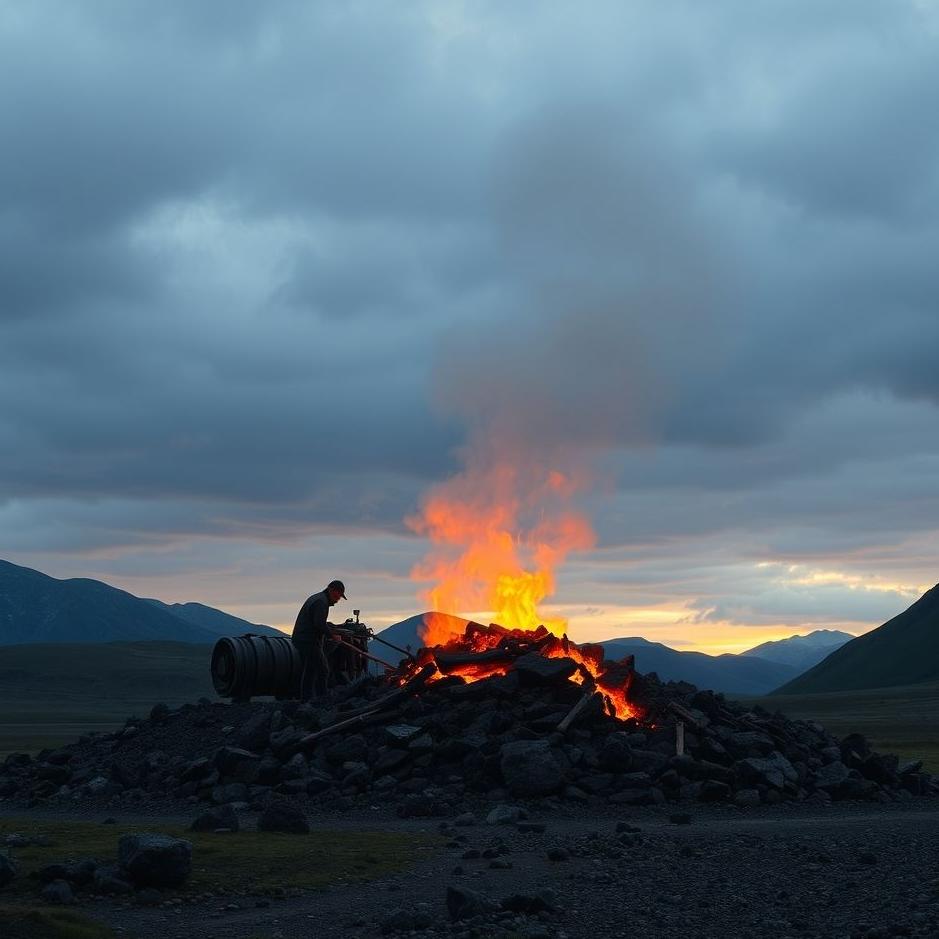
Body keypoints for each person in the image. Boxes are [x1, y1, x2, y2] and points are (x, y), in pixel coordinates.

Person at [291, 579, 347, 701]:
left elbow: (317, 621)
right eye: (338, 596)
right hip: (307, 640)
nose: (338, 600)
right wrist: (333, 636)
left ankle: (306, 699)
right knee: (323, 669)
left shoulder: (318, 598)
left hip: (301, 638)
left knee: (310, 669)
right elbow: (319, 624)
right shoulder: (321, 602)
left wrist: (329, 628)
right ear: (331, 590)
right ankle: (322, 699)